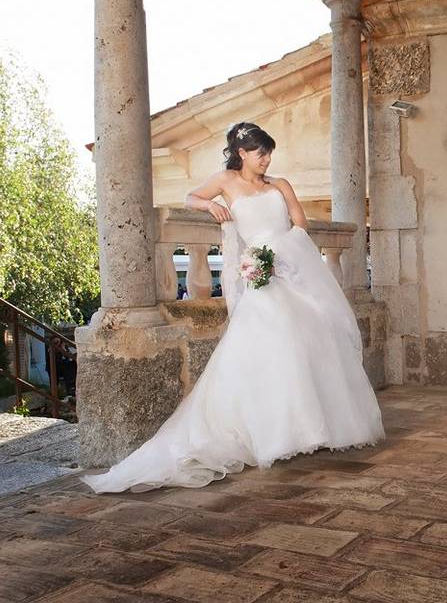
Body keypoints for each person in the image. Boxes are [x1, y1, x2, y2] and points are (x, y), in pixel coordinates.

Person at [81, 122, 385, 493]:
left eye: (269, 153)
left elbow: (300, 225)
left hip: (286, 270)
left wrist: (279, 256)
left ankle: (308, 428)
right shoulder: (225, 181)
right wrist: (211, 205)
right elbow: (191, 197)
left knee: (308, 346)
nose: (267, 159)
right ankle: (271, 434)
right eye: (261, 153)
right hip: (258, 279)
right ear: (242, 153)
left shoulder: (280, 185)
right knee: (265, 352)